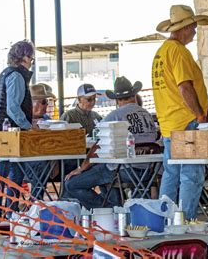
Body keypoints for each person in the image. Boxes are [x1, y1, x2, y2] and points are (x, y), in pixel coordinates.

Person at [152, 5, 208, 220]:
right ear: (184, 28)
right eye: (193, 27)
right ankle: (186, 220)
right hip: (186, 121)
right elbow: (184, 86)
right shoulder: (179, 51)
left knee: (172, 173)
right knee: (191, 175)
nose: (194, 32)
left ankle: (164, 218)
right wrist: (200, 114)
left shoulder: (161, 52)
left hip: (169, 123)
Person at [64, 77, 157, 209]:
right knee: (104, 174)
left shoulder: (115, 115)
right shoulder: (147, 115)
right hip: (148, 170)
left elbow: (98, 146)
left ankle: (109, 209)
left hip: (124, 169)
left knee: (72, 183)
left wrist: (81, 168)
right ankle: (114, 207)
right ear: (134, 95)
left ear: (117, 100)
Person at [0, 40, 35, 217]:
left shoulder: (4, 73)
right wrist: (28, 125)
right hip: (11, 132)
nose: (32, 60)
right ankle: (10, 212)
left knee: (0, 173)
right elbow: (13, 108)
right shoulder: (17, 76)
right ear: (24, 57)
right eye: (31, 56)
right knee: (14, 173)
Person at [24, 84, 55, 199]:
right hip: (26, 161)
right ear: (32, 103)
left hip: (48, 160)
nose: (47, 105)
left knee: (72, 164)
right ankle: (36, 201)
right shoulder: (23, 120)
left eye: (47, 101)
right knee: (42, 165)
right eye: (44, 102)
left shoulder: (47, 119)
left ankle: (65, 200)